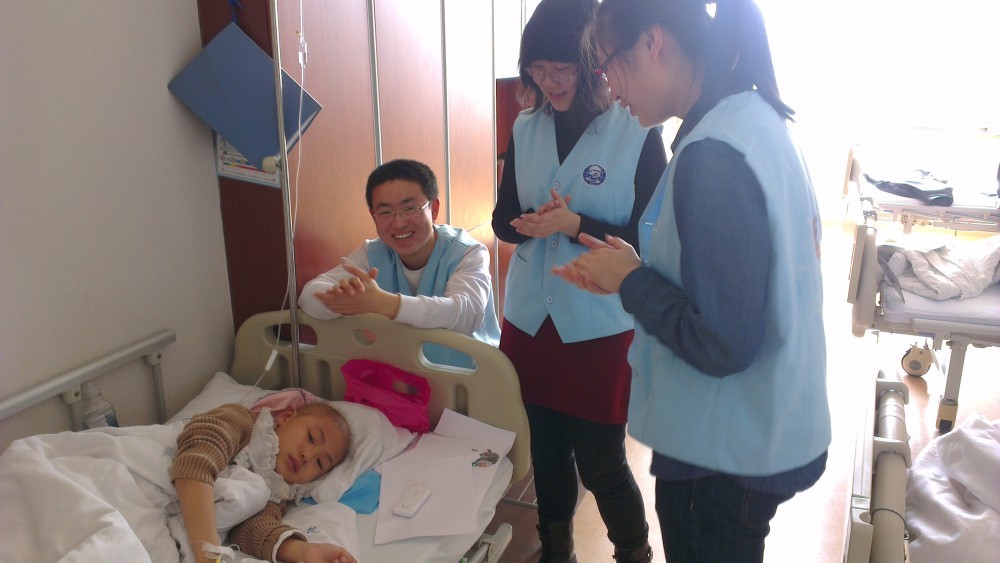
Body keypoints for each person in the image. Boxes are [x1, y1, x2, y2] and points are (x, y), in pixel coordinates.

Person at [553, 0, 832, 561]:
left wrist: (632, 280)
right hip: (759, 429)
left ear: (653, 42)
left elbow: (721, 340)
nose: (610, 90)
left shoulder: (715, 154)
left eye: (606, 68)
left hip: (724, 455)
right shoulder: (751, 120)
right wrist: (631, 270)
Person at [491, 0, 667, 561]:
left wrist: (573, 224)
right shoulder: (526, 126)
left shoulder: (636, 130)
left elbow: (650, 238)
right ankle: (556, 550)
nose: (549, 82)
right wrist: (526, 224)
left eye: (561, 69)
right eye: (537, 70)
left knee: (602, 462)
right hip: (529, 321)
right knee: (545, 454)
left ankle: (633, 553)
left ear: (593, 65)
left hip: (598, 325)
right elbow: (501, 219)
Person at [299, 159, 501, 368]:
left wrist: (383, 304)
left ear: (434, 209)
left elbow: (466, 315)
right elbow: (310, 296)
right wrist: (351, 301)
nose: (399, 222)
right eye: (385, 212)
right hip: (408, 378)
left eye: (410, 208)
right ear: (374, 216)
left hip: (472, 376)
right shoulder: (372, 254)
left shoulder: (467, 253)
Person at [172, 392, 355, 563]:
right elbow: (197, 460)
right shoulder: (242, 423)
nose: (307, 456)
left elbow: (255, 531)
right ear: (286, 416)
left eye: (320, 463)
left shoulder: (275, 497)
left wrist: (305, 551)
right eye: (311, 437)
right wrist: (209, 554)